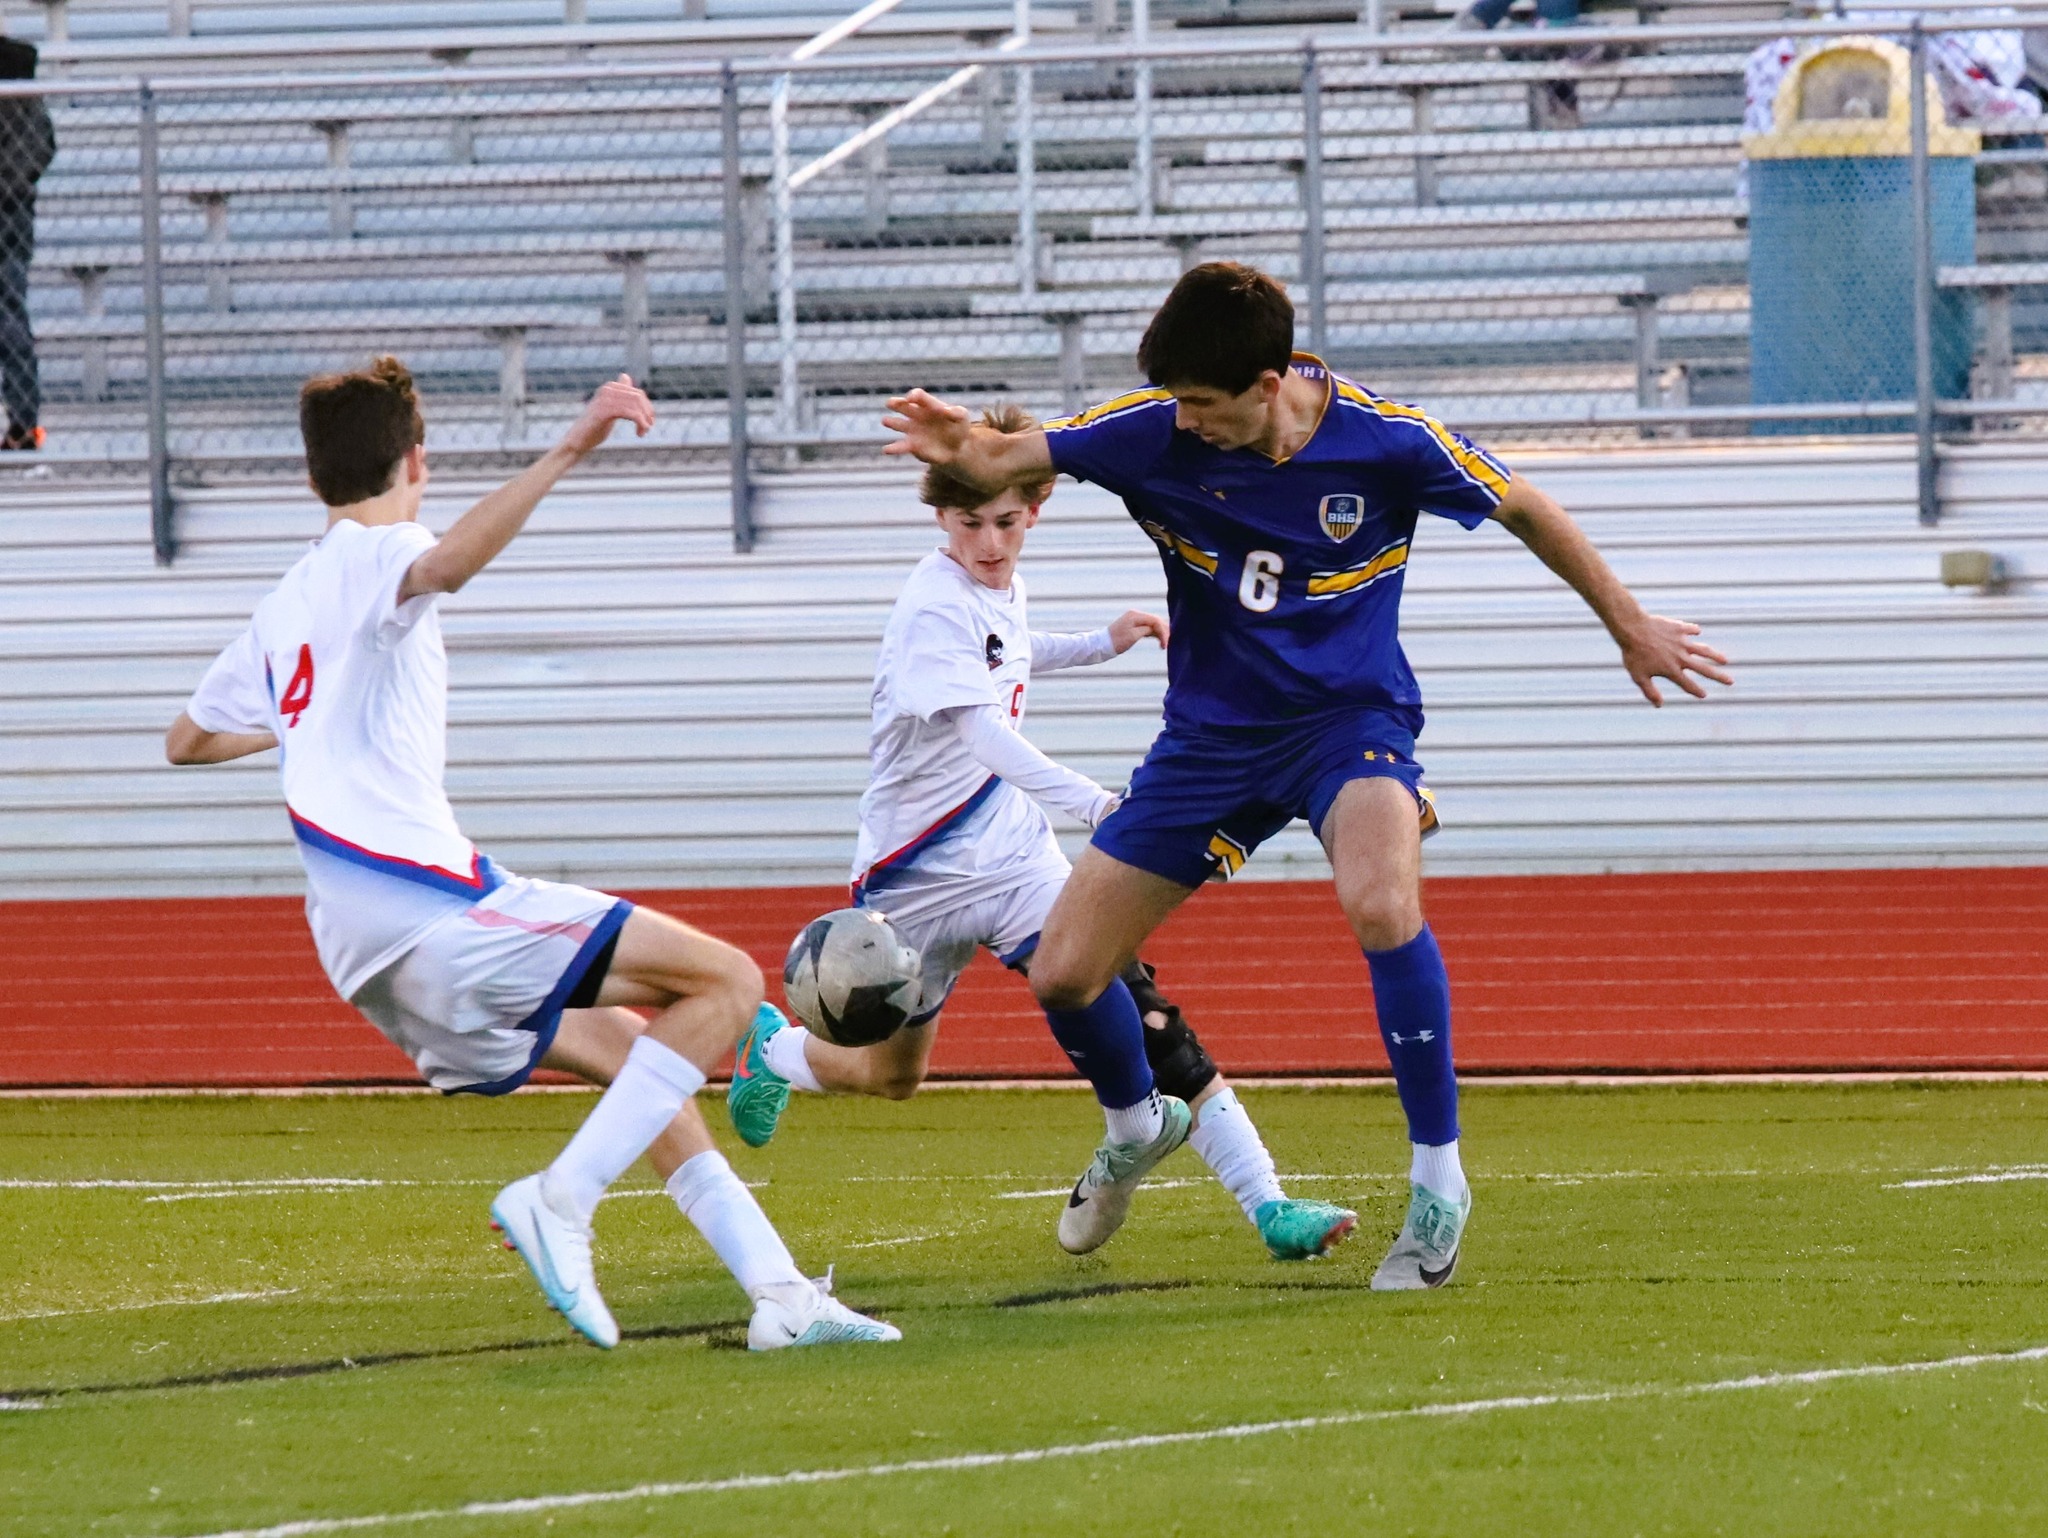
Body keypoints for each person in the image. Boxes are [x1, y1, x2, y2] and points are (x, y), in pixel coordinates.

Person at [882, 262, 1732, 1290]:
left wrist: (1628, 622)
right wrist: (960, 449)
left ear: (1268, 380)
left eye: (1204, 404)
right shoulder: (1149, 427)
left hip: (1347, 722)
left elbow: (1525, 506)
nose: (1185, 424)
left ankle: (1436, 1178)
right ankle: (1134, 1130)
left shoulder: (1385, 439)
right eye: (1178, 404)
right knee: (1064, 971)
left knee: (1378, 900)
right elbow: (1006, 452)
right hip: (1209, 741)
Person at [165, 358, 897, 1353]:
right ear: (419, 458)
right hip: (427, 904)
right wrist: (572, 440)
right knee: (724, 982)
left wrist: (305, 720)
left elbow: (188, 738)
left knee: (641, 1049)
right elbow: (446, 565)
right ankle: (562, 1198)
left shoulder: (281, 606)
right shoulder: (385, 550)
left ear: (310, 480)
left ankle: (778, 1291)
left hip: (359, 949)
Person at [725, 403, 1358, 1263]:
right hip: (915, 875)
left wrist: (1101, 642)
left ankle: (1262, 1202)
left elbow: (1013, 649)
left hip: (1013, 852)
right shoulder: (930, 609)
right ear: (942, 517)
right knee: (891, 1075)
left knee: (1142, 1008)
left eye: (1007, 522)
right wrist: (1096, 804)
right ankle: (776, 1052)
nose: (989, 542)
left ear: (1038, 506)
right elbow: (983, 731)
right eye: (969, 523)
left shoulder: (1000, 585)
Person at [0, 32, 54, 453]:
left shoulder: (14, 66)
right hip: (11, 210)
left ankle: (22, 424)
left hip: (7, 215)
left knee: (9, 317)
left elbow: (34, 149)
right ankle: (22, 423)